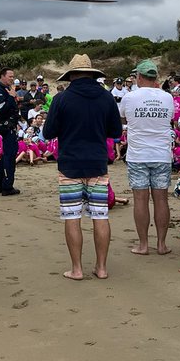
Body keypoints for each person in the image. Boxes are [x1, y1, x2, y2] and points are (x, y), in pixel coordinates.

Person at [43, 54, 123, 280]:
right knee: (100, 215)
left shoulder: (62, 99)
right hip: (97, 162)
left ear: (71, 75)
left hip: (70, 163)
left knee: (72, 216)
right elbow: (116, 131)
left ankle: (77, 269)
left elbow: (48, 132)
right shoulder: (106, 97)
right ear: (91, 74)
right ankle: (101, 267)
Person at [120, 60, 174, 256]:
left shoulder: (130, 97)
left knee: (140, 200)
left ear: (139, 77)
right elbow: (170, 118)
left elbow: (123, 118)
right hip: (161, 154)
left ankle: (143, 244)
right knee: (161, 199)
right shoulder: (167, 97)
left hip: (138, 154)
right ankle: (161, 244)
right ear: (155, 77)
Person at [0, 67, 21, 196]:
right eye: (10, 76)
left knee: (7, 155)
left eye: (13, 76)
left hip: (11, 125)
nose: (12, 79)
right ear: (2, 76)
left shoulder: (5, 89)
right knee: (9, 156)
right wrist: (11, 97)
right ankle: (7, 186)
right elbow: (1, 108)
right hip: (6, 126)